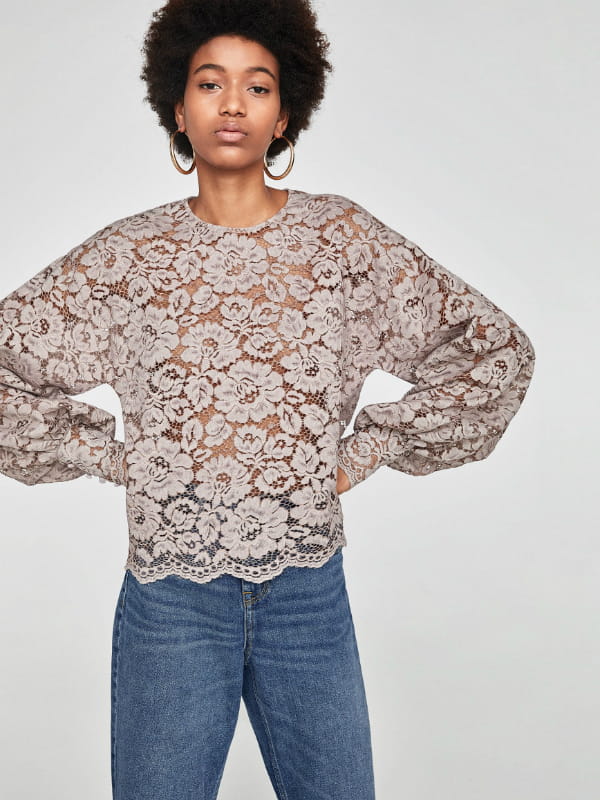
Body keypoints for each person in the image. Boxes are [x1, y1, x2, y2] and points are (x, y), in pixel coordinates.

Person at [0, 0, 536, 798]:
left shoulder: (341, 241)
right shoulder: (128, 258)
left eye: (257, 86)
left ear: (284, 116)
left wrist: (367, 450)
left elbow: (494, 349)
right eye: (209, 83)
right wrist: (116, 459)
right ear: (178, 108)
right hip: (171, 601)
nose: (232, 104)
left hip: (307, 597)